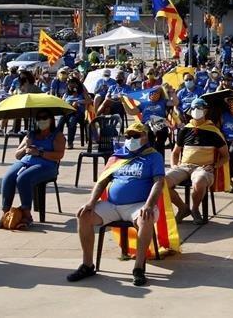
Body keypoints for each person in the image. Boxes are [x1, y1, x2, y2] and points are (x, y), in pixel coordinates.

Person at [67, 120, 167, 287]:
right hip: (112, 205)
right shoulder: (117, 156)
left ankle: (139, 268)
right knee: (84, 215)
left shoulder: (153, 156)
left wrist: (149, 204)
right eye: (128, 136)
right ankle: (87, 264)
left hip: (139, 204)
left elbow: (159, 182)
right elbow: (102, 181)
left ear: (145, 137)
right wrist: (91, 202)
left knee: (145, 218)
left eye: (136, 136)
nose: (131, 139)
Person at [166, 98, 228, 225]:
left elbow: (225, 156)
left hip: (203, 168)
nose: (196, 111)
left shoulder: (214, 131)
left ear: (205, 111)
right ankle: (183, 208)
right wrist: (173, 166)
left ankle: (195, 209)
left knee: (199, 182)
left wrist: (214, 166)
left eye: (199, 108)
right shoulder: (185, 130)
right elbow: (175, 152)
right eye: (194, 108)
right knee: (162, 182)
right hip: (184, 166)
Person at [0, 109, 65, 226]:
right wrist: (26, 147)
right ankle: (5, 212)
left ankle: (26, 213)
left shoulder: (57, 135)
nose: (41, 120)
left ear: (50, 120)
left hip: (46, 165)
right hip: (26, 162)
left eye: (45, 118)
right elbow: (17, 155)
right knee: (8, 177)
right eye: (39, 118)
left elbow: (59, 155)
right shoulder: (31, 134)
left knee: (23, 178)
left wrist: (40, 153)